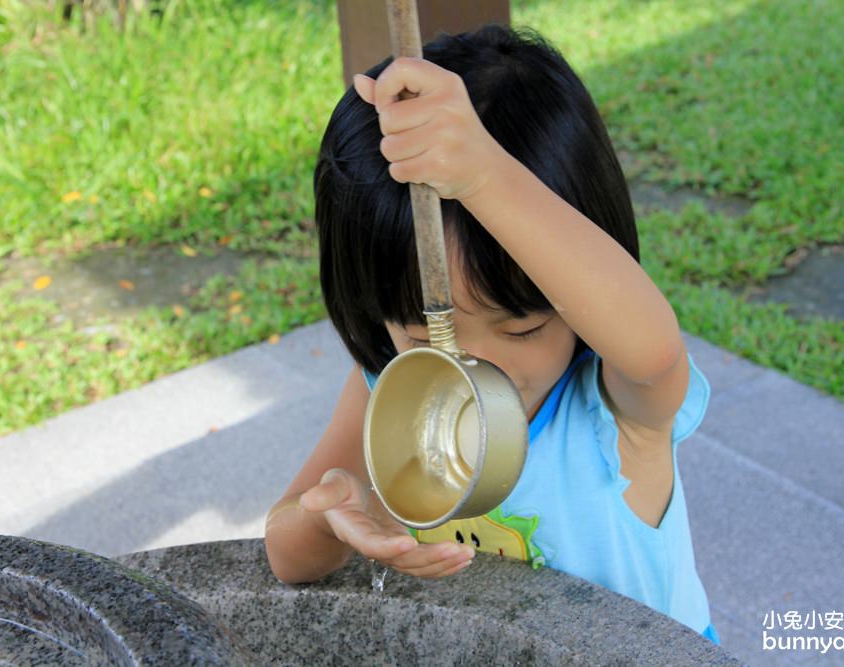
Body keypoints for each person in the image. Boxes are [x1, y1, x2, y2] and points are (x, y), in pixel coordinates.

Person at [264, 24, 720, 646]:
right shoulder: (394, 393)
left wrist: (484, 178)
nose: (472, 363)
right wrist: (334, 520)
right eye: (426, 336)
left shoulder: (618, 413)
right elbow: (286, 553)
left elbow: (654, 350)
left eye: (523, 326)